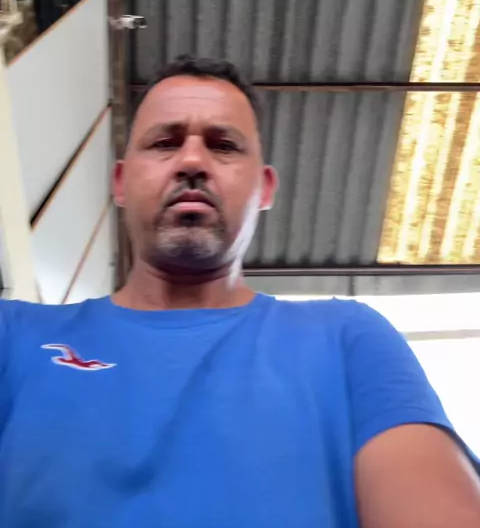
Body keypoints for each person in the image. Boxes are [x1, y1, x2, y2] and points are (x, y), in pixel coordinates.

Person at [0, 55, 479, 528]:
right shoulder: (14, 337)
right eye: (165, 143)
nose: (192, 161)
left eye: (224, 146)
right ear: (121, 183)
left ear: (264, 189)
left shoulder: (347, 339)